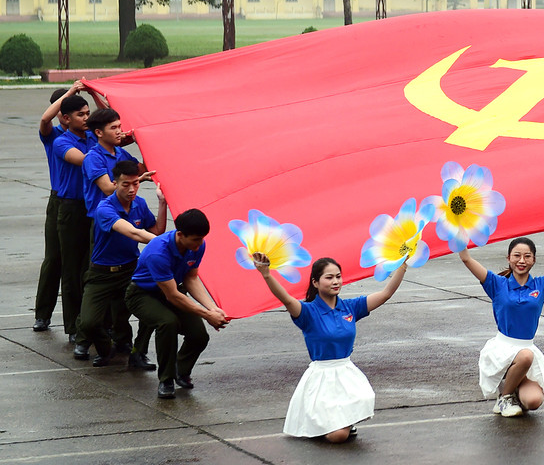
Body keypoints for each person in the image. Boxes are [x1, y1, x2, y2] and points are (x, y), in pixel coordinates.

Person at [254, 254, 407, 442]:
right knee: (336, 437)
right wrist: (266, 274)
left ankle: (344, 421)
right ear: (315, 282)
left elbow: (385, 294)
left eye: (338, 276)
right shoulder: (307, 312)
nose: (336, 281)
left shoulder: (351, 307)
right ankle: (335, 423)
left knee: (340, 434)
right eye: (329, 277)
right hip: (321, 380)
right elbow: (286, 299)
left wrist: (403, 265)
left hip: (347, 376)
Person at [457, 236, 544, 417]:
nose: (522, 260)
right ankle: (504, 398)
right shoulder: (496, 284)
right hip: (502, 350)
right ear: (508, 258)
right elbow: (467, 258)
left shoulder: (542, 285)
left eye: (527, 256)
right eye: (517, 255)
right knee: (526, 356)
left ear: (534, 260)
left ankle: (512, 388)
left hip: (526, 351)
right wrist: (455, 230)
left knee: (533, 401)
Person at [124, 209, 230, 399]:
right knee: (167, 323)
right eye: (195, 240)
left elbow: (191, 278)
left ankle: (181, 370)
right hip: (143, 294)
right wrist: (207, 315)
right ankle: (166, 379)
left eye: (201, 239)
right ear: (180, 234)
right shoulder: (159, 252)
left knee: (198, 336)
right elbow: (173, 296)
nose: (199, 245)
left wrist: (211, 308)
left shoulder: (198, 245)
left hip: (172, 290)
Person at [76, 160, 165, 368]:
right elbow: (134, 232)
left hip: (130, 270)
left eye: (135, 183)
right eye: (125, 184)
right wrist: (166, 244)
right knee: (89, 322)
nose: (132, 189)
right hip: (101, 274)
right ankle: (106, 350)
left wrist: (163, 203)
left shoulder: (140, 204)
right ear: (115, 183)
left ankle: (138, 352)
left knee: (154, 311)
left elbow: (156, 231)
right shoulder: (104, 208)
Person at [34, 83, 83, 332]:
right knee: (54, 259)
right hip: (59, 201)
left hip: (82, 203)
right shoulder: (53, 136)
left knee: (77, 265)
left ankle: (78, 321)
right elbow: (45, 118)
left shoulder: (86, 135)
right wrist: (69, 94)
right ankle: (43, 313)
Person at [51, 94, 93, 353]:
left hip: (92, 209)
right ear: (66, 119)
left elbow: (109, 119)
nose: (87, 118)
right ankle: (74, 327)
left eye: (88, 113)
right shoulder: (61, 141)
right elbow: (87, 162)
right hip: (70, 210)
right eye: (81, 114)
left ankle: (94, 323)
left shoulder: (93, 137)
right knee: (72, 270)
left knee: (92, 269)